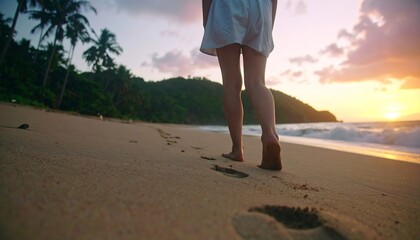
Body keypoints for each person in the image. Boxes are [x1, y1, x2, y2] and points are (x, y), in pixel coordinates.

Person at [200, 0, 282, 170]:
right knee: (257, 82)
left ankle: (237, 149)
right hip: (261, 8)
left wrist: (207, 20)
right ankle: (270, 136)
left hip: (227, 7)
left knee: (231, 84)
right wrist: (269, 21)